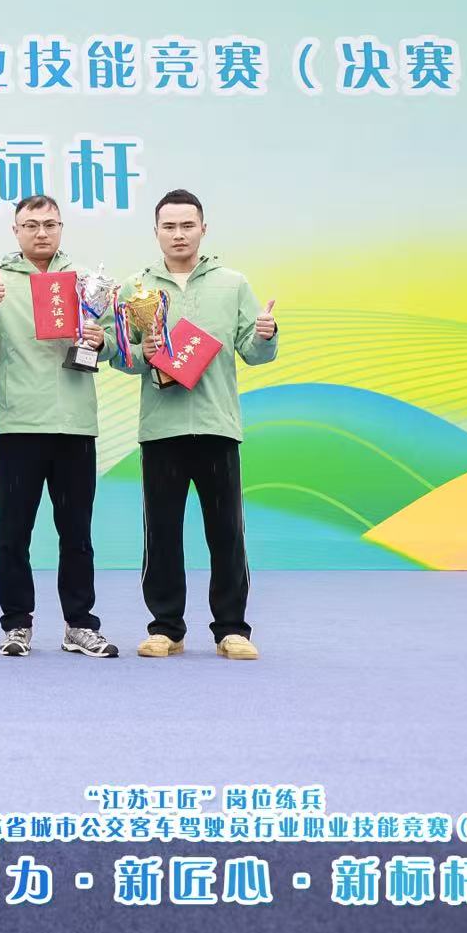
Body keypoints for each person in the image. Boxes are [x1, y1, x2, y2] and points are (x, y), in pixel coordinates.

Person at [114, 188, 279, 661]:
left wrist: (266, 334)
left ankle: (232, 629)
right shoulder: (135, 289)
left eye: (187, 225)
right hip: (160, 429)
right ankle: (166, 627)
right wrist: (141, 353)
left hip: (217, 426)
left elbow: (253, 351)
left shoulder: (232, 284)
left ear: (203, 229)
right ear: (156, 232)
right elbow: (121, 356)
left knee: (226, 533)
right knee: (162, 534)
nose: (179, 234)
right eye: (169, 226)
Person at [0, 194, 119, 659]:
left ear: (61, 227)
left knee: (77, 533)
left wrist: (101, 340)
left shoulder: (86, 281)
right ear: (16, 231)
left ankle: (79, 624)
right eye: (30, 225)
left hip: (74, 422)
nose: (41, 232)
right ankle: (16, 625)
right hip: (19, 422)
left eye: (49, 223)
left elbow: (115, 343)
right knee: (14, 532)